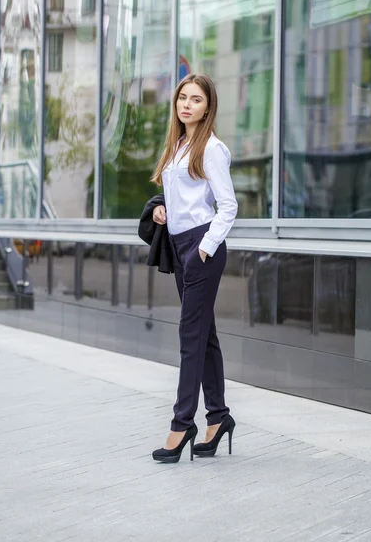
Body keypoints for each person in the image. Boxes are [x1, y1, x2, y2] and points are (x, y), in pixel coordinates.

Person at [150, 73, 238, 463]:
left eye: (196, 99)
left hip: (202, 247)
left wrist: (203, 249)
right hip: (181, 243)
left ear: (208, 107)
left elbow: (228, 206)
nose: (186, 104)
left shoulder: (212, 148)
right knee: (205, 337)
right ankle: (218, 418)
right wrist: (160, 208)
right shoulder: (178, 146)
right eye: (182, 98)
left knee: (190, 336)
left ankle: (181, 423)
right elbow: (178, 197)